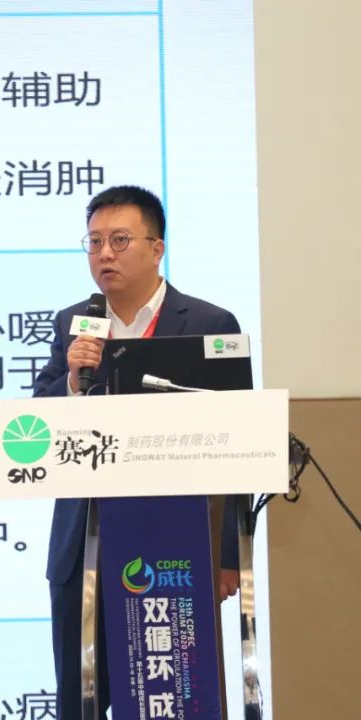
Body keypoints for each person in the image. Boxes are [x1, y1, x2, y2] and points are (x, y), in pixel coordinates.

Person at [32, 185, 241, 719]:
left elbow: (237, 442)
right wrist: (73, 381)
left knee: (171, 691)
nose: (104, 253)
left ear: (156, 248)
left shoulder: (210, 324)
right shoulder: (73, 324)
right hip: (85, 547)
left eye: (120, 240)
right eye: (94, 241)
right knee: (80, 700)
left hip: (178, 551)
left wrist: (226, 555)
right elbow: (38, 424)